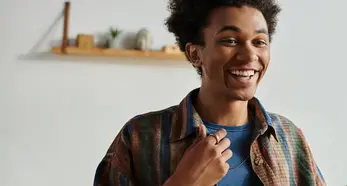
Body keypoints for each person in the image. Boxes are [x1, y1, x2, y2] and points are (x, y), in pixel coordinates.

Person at [92, 0, 326, 185]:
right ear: (195, 54)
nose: (249, 55)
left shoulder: (288, 138)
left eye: (260, 41)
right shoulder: (140, 137)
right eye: (231, 40)